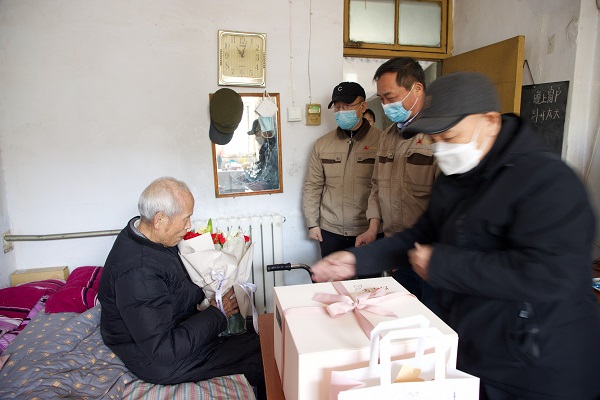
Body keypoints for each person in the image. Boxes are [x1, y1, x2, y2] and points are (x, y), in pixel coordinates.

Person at [311, 72, 600, 400]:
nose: (441, 149)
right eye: (434, 140)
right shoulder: (456, 176)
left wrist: (443, 265)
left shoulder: (548, 181)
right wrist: (356, 260)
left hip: (539, 365)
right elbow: (421, 235)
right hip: (475, 348)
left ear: (489, 122)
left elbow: (552, 275)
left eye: (449, 137)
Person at [98, 177, 265, 399]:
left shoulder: (147, 237)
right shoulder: (139, 272)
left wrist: (212, 294)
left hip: (171, 328)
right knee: (261, 353)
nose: (189, 226)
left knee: (258, 333)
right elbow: (164, 350)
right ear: (159, 219)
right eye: (186, 218)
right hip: (159, 359)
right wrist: (218, 312)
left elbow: (173, 286)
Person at [355, 57, 439, 309]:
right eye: (381, 99)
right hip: (396, 250)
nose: (385, 105)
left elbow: (447, 204)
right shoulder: (388, 136)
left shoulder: (439, 134)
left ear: (417, 89)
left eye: (390, 97)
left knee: (432, 320)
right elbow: (377, 185)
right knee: (400, 315)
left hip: (430, 256)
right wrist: (373, 228)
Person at [303, 82, 382, 262]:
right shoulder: (322, 144)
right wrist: (312, 224)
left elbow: (387, 188)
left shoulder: (382, 141)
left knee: (369, 279)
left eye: (347, 106)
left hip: (369, 230)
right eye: (337, 107)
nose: (341, 111)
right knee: (332, 278)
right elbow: (313, 186)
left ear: (363, 106)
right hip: (331, 231)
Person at [246, 118, 279, 190]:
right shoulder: (265, 146)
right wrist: (248, 177)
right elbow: (262, 167)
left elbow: (276, 174)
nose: (256, 137)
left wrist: (265, 186)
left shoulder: (276, 147)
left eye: (256, 133)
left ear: (265, 131)